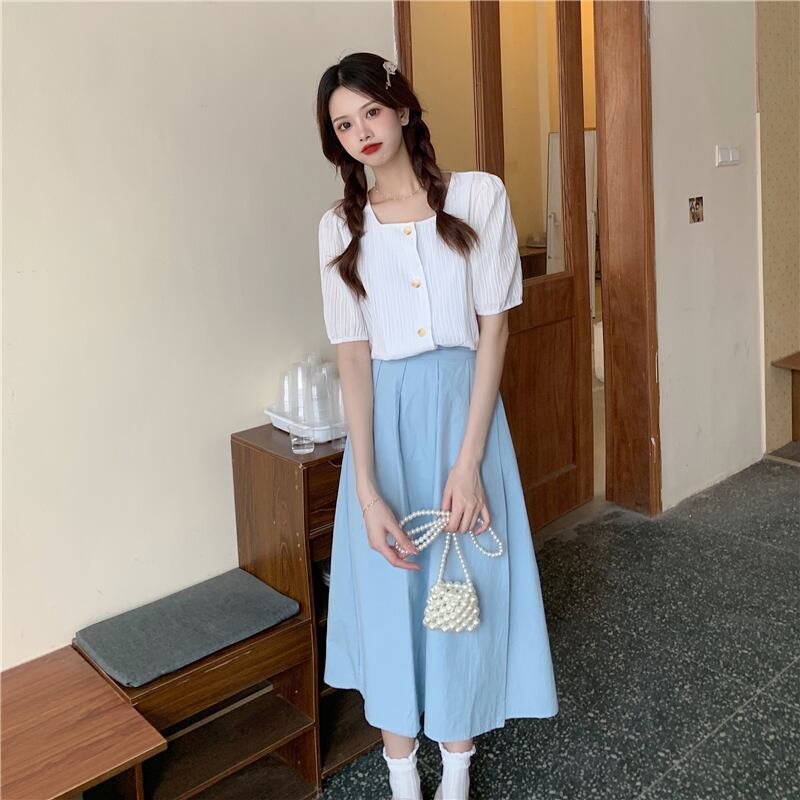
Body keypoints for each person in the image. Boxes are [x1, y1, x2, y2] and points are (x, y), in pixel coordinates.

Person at [315, 52, 559, 800]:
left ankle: (456, 769)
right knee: (391, 591)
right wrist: (366, 492)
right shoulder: (338, 228)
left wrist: (469, 462)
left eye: (371, 112)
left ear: (402, 109)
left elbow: (494, 331)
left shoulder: (478, 196)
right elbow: (353, 359)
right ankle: (401, 778)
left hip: (464, 417)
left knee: (464, 585)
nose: (361, 132)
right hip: (382, 433)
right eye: (343, 125)